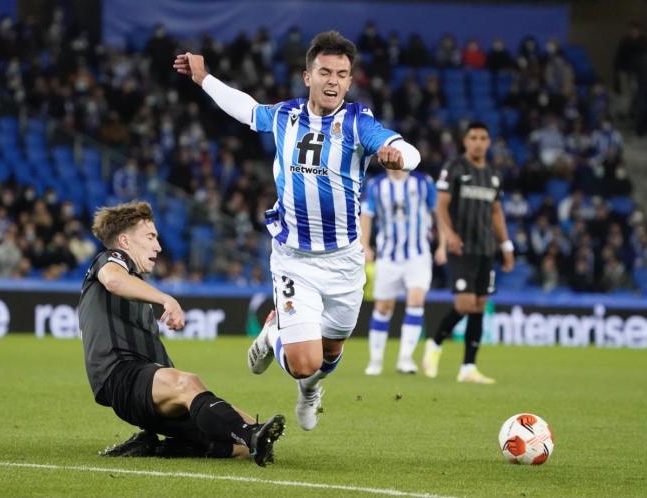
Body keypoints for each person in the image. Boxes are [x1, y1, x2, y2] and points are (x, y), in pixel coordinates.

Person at [173, 31, 420, 430]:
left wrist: (398, 155)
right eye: (325, 71)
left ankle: (309, 391)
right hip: (294, 258)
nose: (333, 80)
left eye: (342, 73)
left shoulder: (359, 123)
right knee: (303, 362)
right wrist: (204, 78)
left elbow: (408, 150)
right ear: (308, 76)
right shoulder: (286, 116)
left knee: (329, 353)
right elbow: (247, 110)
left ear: (350, 80)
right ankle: (274, 335)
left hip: (344, 261)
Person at [78, 201, 285, 466]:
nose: (158, 246)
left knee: (238, 435)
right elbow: (115, 280)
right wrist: (167, 299)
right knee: (196, 389)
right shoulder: (108, 260)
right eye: (150, 237)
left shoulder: (138, 291)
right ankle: (251, 435)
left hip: (146, 387)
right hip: (120, 376)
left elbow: (159, 368)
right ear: (125, 241)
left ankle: (157, 446)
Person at [422, 122, 514, 383]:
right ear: (465, 141)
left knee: (480, 305)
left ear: (489, 142)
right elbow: (440, 206)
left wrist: (506, 245)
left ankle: (468, 368)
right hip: (461, 247)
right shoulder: (455, 168)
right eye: (473, 137)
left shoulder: (493, 175)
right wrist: (449, 234)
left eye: (483, 138)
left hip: (486, 248)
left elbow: (496, 212)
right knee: (464, 303)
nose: (478, 142)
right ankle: (435, 343)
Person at [360, 169, 445, 375]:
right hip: (388, 256)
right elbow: (366, 215)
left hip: (418, 254)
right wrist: (365, 245)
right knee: (383, 307)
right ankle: (376, 360)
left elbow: (438, 213)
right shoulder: (376, 185)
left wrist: (441, 245)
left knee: (416, 300)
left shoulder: (424, 182)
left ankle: (405, 359)